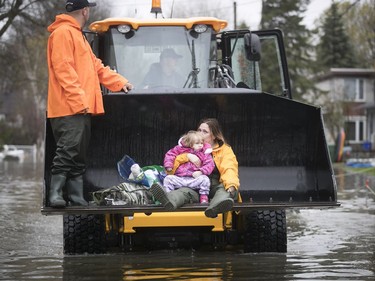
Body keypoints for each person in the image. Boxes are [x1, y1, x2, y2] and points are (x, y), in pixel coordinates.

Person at [46, 0, 133, 208]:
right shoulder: (63, 33)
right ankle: (55, 194)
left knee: (78, 154)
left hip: (79, 108)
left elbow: (97, 68)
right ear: (84, 11)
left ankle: (76, 197)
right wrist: (79, 100)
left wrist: (121, 83)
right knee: (68, 150)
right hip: (68, 108)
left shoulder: (78, 35)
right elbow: (63, 69)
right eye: (88, 10)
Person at [150, 118, 240, 218]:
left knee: (229, 189)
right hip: (193, 184)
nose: (200, 133)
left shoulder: (224, 150)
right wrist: (187, 156)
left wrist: (231, 184)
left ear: (214, 136)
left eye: (205, 132)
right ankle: (168, 201)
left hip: (214, 186)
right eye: (199, 130)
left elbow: (229, 168)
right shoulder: (188, 146)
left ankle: (215, 207)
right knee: (183, 192)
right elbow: (171, 169)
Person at [163, 130, 215, 203]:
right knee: (168, 179)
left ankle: (204, 197)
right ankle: (168, 196)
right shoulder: (179, 149)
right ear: (190, 144)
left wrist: (201, 171)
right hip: (180, 178)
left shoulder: (204, 153)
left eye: (201, 143)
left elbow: (210, 164)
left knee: (205, 179)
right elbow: (170, 155)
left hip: (193, 179)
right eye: (197, 143)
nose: (200, 145)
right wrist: (169, 165)